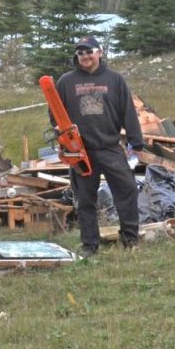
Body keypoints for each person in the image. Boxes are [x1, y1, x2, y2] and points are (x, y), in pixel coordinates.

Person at [54, 36, 144, 257]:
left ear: (100, 53)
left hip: (110, 147)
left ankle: (130, 239)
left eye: (89, 51)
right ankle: (89, 245)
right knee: (85, 198)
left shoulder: (115, 80)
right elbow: (55, 113)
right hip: (80, 152)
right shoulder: (66, 82)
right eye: (80, 53)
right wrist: (63, 137)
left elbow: (128, 113)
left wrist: (136, 142)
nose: (85, 56)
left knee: (128, 190)